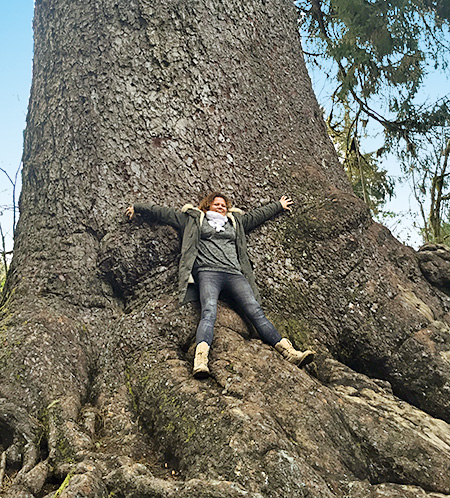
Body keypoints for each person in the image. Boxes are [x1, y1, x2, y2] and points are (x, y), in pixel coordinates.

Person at [126, 193, 314, 378]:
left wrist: (278, 205)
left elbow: (256, 216)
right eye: (216, 204)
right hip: (208, 273)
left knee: (255, 311)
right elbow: (162, 213)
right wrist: (138, 207)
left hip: (234, 274)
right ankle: (200, 361)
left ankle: (289, 352)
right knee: (209, 311)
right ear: (207, 206)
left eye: (224, 205)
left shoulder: (235, 222)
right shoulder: (192, 219)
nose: (221, 207)